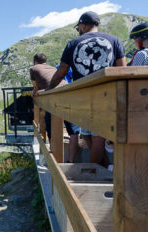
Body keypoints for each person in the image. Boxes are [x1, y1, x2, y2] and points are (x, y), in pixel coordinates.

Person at [46, 11, 126, 166]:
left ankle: (94, 172)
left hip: (82, 98)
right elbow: (122, 69)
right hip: (106, 95)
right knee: (92, 136)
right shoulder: (115, 41)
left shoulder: (73, 44)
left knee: (93, 136)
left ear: (82, 25)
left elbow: (61, 72)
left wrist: (49, 89)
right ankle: (103, 167)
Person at [30, 53, 80, 163]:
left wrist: (35, 92)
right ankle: (71, 161)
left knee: (51, 128)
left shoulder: (33, 68)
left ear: (35, 61)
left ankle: (55, 161)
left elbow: (35, 86)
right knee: (73, 131)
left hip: (55, 98)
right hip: (69, 92)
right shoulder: (52, 68)